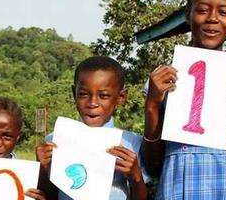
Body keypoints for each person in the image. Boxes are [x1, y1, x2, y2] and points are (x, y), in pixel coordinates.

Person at [142, 0, 226, 199]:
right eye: (202, 10)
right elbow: (152, 164)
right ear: (188, 15)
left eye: (223, 12)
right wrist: (152, 104)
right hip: (176, 188)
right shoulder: (165, 77)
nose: (212, 19)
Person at [35, 56, 149, 199]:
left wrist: (135, 176)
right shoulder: (55, 141)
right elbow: (49, 195)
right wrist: (43, 169)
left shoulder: (131, 143)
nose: (92, 103)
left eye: (104, 95)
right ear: (74, 93)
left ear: (121, 97)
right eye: (83, 94)